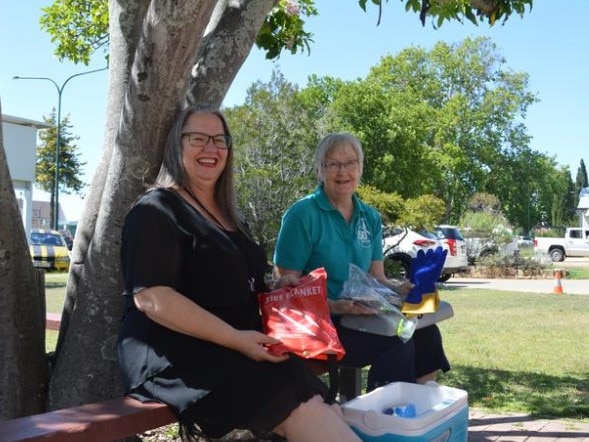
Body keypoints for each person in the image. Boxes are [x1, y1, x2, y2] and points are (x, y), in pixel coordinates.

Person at [116, 106, 361, 442]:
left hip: (237, 348)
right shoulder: (156, 209)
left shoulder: (229, 216)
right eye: (198, 138)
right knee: (300, 403)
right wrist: (236, 339)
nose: (210, 148)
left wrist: (279, 287)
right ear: (177, 145)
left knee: (319, 401)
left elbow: (233, 284)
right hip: (175, 358)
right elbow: (152, 298)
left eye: (219, 140)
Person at [273, 132, 450, 391]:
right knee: (398, 342)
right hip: (321, 323)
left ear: (361, 167)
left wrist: (400, 290)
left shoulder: (370, 217)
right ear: (319, 171)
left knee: (426, 333)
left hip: (364, 316)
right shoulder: (302, 215)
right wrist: (334, 306)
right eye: (332, 164)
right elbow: (285, 290)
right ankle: (382, 421)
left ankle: (419, 413)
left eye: (350, 163)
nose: (342, 171)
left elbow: (377, 278)